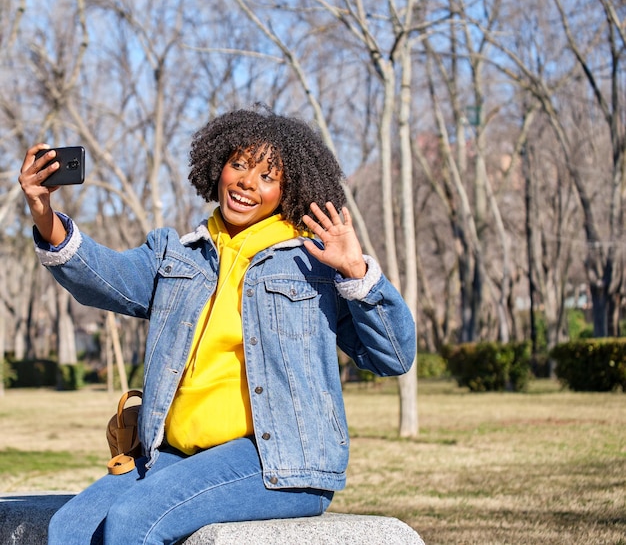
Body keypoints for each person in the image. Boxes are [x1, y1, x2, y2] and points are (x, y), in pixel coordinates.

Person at [19, 107, 416, 545]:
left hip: (278, 460)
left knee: (135, 519)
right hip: (176, 456)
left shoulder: (313, 263)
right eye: (239, 165)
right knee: (70, 527)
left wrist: (356, 273)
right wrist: (44, 215)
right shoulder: (179, 253)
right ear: (217, 166)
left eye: (268, 176)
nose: (247, 182)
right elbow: (107, 278)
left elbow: (393, 356)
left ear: (290, 190)